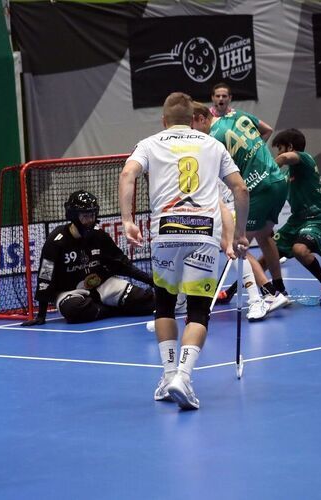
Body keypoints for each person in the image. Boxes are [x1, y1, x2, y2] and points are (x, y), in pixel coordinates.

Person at [119, 92, 249, 411]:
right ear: (193, 119)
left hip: (165, 232)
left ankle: (167, 377)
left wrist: (127, 220)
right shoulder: (212, 145)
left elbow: (127, 174)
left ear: (163, 120)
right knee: (198, 311)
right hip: (203, 233)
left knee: (164, 305)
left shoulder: (149, 143)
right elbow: (241, 189)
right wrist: (240, 234)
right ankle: (184, 377)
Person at [201, 99, 290, 321]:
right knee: (263, 236)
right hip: (274, 181)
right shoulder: (235, 117)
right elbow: (266, 130)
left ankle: (269, 294)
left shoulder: (212, 141)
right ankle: (278, 289)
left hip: (247, 195)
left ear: (200, 119)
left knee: (235, 246)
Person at [20, 190, 156, 326]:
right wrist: (41, 315)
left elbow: (123, 265)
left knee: (147, 302)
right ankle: (113, 310)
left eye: (92, 215)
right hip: (70, 292)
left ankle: (99, 308)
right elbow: (45, 277)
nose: (90, 220)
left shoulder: (100, 236)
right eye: (85, 216)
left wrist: (151, 281)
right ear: (73, 216)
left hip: (103, 285)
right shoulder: (56, 241)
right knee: (73, 310)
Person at [264, 129, 321, 305]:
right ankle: (229, 292)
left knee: (299, 250)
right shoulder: (286, 175)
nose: (278, 153)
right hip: (296, 221)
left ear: (290, 147)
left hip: (317, 218)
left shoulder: (305, 159)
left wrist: (267, 171)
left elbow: (284, 158)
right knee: (267, 257)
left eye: (279, 148)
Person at [209, 82, 273, 141]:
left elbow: (268, 130)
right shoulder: (206, 116)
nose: (221, 99)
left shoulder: (239, 115)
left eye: (224, 96)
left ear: (230, 98)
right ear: (212, 97)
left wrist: (258, 148)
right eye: (218, 96)